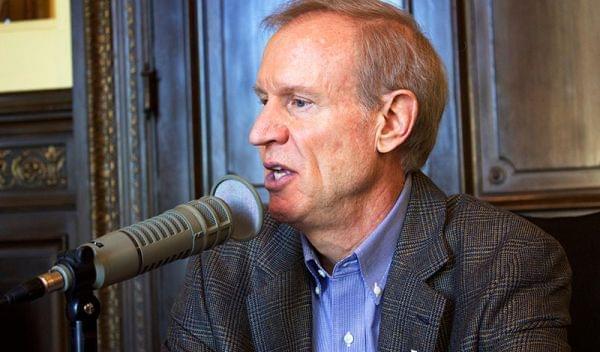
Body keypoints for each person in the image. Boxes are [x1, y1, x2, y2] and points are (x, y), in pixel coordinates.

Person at [164, 0, 571, 351]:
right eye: (264, 100)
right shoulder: (226, 266)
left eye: (299, 102)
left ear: (391, 122)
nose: (259, 132)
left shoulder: (504, 259)